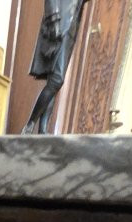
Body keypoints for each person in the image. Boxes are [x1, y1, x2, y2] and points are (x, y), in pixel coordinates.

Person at [23, 0, 89, 134]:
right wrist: (53, 18)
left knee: (54, 80)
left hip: (71, 26)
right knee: (57, 79)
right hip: (60, 24)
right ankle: (30, 123)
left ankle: (43, 128)